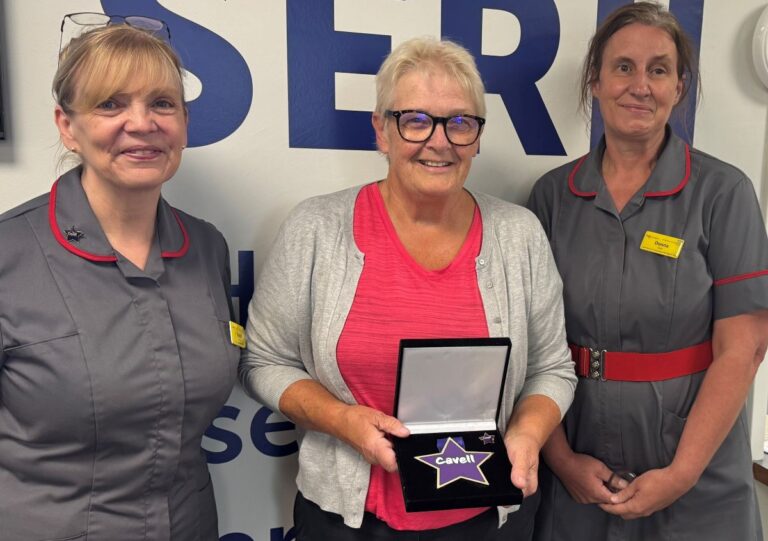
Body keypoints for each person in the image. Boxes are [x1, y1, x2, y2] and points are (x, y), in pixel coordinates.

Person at [240, 36, 576, 540]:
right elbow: (263, 361)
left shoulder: (519, 235)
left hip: (485, 520)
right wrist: (340, 419)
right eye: (416, 120)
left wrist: (528, 433)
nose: (439, 142)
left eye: (460, 122)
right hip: (346, 523)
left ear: (477, 137)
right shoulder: (316, 229)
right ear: (382, 130)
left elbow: (553, 368)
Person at [527, 3, 768, 540]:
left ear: (678, 88)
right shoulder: (552, 197)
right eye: (623, 67)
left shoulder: (723, 194)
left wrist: (681, 474)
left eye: (658, 70)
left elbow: (745, 347)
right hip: (579, 461)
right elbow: (532, 344)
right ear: (595, 81)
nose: (640, 86)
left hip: (695, 466)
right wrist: (562, 459)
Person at [0, 18, 239, 540]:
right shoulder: (8, 255)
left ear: (184, 122)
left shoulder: (207, 248)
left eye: (162, 103)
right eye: (110, 104)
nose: (142, 123)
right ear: (68, 126)